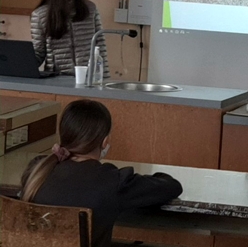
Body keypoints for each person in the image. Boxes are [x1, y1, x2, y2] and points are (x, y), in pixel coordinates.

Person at [20, 99, 183, 247]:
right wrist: (159, 177)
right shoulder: (113, 180)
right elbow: (172, 187)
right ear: (105, 141)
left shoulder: (37, 169)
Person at [30, 0, 109, 78]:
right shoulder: (40, 15)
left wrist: (104, 78)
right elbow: (38, 52)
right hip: (56, 79)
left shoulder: (90, 9)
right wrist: (17, 65)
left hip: (88, 78)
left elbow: (100, 46)